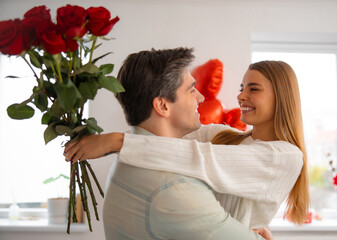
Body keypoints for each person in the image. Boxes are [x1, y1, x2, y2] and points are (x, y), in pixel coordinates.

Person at [65, 58, 309, 236]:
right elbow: (165, 143)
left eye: (253, 89)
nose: (241, 96)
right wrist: (109, 141)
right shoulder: (226, 137)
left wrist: (117, 141)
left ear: (282, 96)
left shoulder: (286, 156)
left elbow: (201, 158)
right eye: (241, 88)